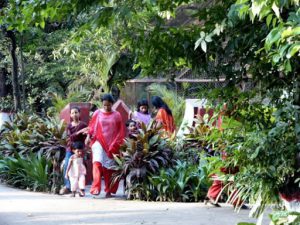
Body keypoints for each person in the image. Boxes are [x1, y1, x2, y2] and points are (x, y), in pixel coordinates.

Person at [86, 93, 125, 198]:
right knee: (97, 162)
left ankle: (108, 190)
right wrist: (88, 137)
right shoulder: (97, 113)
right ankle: (95, 188)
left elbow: (120, 131)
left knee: (109, 168)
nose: (106, 107)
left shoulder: (117, 115)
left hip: (112, 144)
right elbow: (91, 127)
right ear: (102, 104)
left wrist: (117, 145)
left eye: (108, 105)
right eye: (104, 105)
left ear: (112, 104)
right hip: (98, 141)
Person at [60, 107, 88, 195]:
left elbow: (86, 136)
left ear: (79, 114)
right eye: (72, 113)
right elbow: (69, 138)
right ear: (70, 115)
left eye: (76, 112)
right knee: (67, 165)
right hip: (70, 149)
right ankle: (68, 186)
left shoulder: (83, 125)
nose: (74, 114)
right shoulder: (69, 126)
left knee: (81, 168)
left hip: (80, 150)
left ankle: (81, 188)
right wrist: (79, 132)